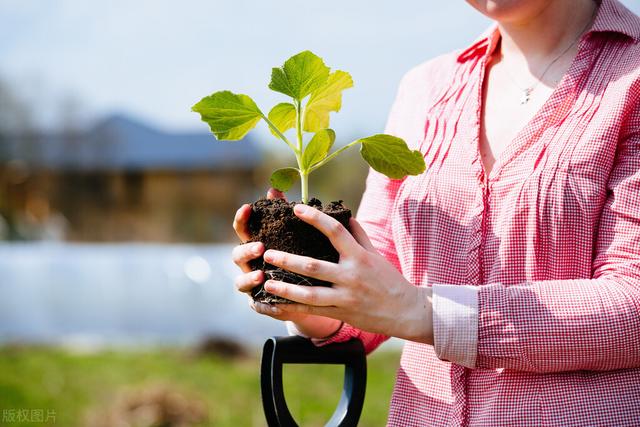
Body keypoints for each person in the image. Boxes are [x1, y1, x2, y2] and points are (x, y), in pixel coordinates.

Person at [232, 0, 640, 424]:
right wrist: (309, 299)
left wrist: (423, 313)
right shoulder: (426, 87)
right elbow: (379, 289)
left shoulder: (632, 76)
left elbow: (634, 304)